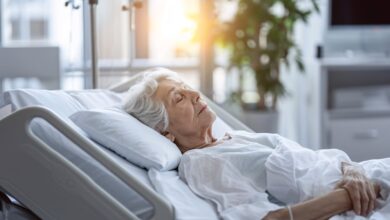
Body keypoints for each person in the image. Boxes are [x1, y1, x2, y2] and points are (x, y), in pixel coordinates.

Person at [123, 68, 387, 220]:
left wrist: (353, 171)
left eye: (187, 87)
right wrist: (346, 197)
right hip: (367, 200)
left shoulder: (233, 139)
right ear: (165, 131)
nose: (194, 94)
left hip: (365, 178)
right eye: (179, 98)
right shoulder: (202, 162)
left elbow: (314, 160)